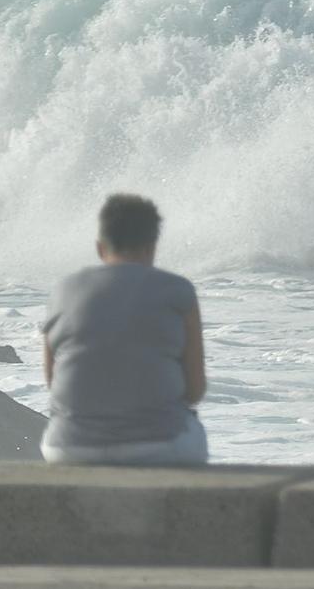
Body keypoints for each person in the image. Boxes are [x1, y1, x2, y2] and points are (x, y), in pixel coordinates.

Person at [40, 193, 210, 466]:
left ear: (99, 247)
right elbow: (195, 390)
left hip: (69, 447)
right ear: (152, 247)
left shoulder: (63, 291)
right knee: (192, 429)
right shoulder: (178, 290)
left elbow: (53, 381)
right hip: (158, 446)